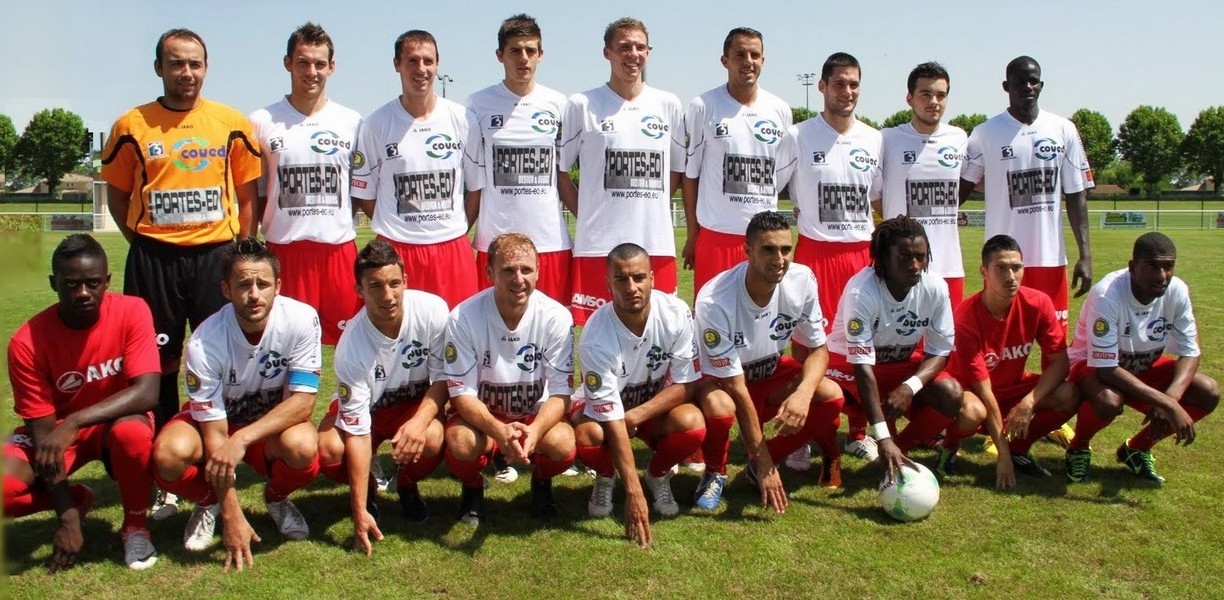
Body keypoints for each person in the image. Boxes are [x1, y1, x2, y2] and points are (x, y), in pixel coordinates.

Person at [100, 28, 263, 518]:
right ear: (159, 68)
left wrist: (239, 252)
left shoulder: (231, 123)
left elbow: (247, 195)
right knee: (158, 366)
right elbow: (119, 197)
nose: (186, 72)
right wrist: (147, 242)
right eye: (176, 63)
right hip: (156, 260)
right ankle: (165, 470)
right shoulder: (130, 125)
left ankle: (221, 458)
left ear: (206, 68)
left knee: (220, 360)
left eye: (194, 63)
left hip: (215, 257)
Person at [152, 240, 321, 571]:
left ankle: (275, 498)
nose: (254, 294)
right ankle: (209, 502)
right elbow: (215, 433)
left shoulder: (302, 318)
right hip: (218, 424)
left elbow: (303, 403)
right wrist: (232, 513)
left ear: (278, 286)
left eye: (263, 284)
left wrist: (242, 438)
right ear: (226, 290)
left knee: (303, 446)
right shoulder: (204, 341)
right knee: (168, 455)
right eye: (243, 285)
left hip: (264, 427)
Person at [4, 234, 160, 571]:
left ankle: (136, 527)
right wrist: (68, 517)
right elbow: (44, 437)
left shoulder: (133, 310)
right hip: (55, 432)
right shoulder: (26, 343)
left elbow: (147, 392)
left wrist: (76, 421)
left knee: (132, 434)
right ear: (54, 283)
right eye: (71, 284)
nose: (84, 293)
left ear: (107, 281)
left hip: (114, 424)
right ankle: (78, 499)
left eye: (93, 283)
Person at [693, 211, 846, 512]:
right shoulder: (714, 299)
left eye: (786, 249)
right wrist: (763, 459)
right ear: (747, 251)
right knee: (720, 407)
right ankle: (715, 472)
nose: (779, 259)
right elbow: (735, 386)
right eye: (768, 249)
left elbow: (818, 350)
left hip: (769, 373)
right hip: (724, 384)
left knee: (830, 394)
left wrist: (802, 394)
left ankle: (762, 463)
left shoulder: (802, 280)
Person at [774, 52, 883, 464]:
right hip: (815, 253)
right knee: (807, 343)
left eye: (854, 84)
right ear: (822, 87)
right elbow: (772, 189)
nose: (847, 91)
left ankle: (858, 431)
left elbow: (879, 200)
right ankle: (799, 433)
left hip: (860, 255)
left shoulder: (874, 139)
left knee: (860, 343)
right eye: (839, 84)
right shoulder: (798, 136)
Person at [316, 239, 449, 554]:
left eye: (394, 283)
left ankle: (406, 483)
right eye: (375, 286)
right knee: (329, 449)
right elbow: (358, 432)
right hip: (370, 413)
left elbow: (444, 377)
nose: (387, 295)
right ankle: (370, 490)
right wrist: (359, 509)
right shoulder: (351, 347)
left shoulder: (433, 310)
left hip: (412, 406)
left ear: (405, 281)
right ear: (359, 290)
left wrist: (418, 423)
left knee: (432, 437)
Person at [572, 243, 704, 543]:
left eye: (639, 277)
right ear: (608, 284)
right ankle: (607, 477)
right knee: (587, 434)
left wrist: (634, 416)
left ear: (652, 279)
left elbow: (686, 384)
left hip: (650, 408)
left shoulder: (676, 312)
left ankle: (657, 474)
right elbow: (609, 413)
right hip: (605, 414)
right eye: (621, 279)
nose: (631, 287)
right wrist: (633, 493)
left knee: (692, 422)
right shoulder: (595, 335)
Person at [443, 233, 576, 525]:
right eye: (508, 270)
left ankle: (541, 481)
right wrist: (499, 431)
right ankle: (473, 487)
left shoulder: (556, 316)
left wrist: (536, 431)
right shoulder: (463, 317)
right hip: (483, 417)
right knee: (461, 442)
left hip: (532, 416)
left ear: (538, 271)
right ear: (489, 272)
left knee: (563, 444)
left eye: (526, 269)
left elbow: (560, 393)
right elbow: (461, 394)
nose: (519, 279)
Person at [559, 17, 685, 325]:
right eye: (625, 47)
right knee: (596, 329)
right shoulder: (582, 104)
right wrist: (586, 213)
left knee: (659, 327)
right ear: (608, 53)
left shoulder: (668, 104)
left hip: (655, 242)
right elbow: (561, 172)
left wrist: (653, 204)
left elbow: (677, 170)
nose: (633, 54)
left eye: (640, 47)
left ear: (648, 53)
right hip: (598, 245)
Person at [1064, 232, 1218, 484]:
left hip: (1141, 365)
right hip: (1091, 366)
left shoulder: (1177, 290)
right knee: (1109, 401)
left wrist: (1171, 397)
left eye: (1168, 266)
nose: (1162, 275)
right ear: (1132, 267)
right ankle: (1078, 446)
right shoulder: (1107, 294)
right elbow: (1106, 369)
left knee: (1207, 390)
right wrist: (1168, 404)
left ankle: (1137, 448)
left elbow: (1190, 351)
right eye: (1151, 266)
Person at [824, 216, 963, 483]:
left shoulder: (935, 287)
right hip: (847, 365)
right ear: (882, 259)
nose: (915, 265)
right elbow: (862, 368)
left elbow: (939, 351)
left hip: (898, 364)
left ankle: (897, 451)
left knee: (952, 395)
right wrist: (883, 436)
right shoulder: (861, 292)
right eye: (904, 257)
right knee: (826, 398)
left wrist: (909, 387)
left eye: (921, 257)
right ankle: (829, 451)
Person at [959, 55, 1094, 328]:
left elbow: (1076, 194)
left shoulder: (1063, 129)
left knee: (1054, 339)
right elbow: (959, 191)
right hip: (1002, 260)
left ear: (1041, 85)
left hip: (1050, 257)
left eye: (1033, 81)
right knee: (1000, 336)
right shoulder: (985, 133)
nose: (1028, 87)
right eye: (1020, 82)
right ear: (1006, 86)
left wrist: (1085, 255)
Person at [249, 22, 362, 345]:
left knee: (351, 344)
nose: (311, 72)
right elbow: (256, 192)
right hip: (285, 251)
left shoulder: (352, 121)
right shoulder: (261, 121)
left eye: (319, 64)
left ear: (332, 67)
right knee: (283, 346)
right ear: (288, 63)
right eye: (303, 62)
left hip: (338, 252)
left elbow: (357, 189)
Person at [939, 235, 1079, 487]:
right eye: (1001, 268)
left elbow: (1060, 362)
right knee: (972, 413)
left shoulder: (1038, 303)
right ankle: (949, 446)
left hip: (1012, 389)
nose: (1011, 276)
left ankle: (1019, 450)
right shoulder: (966, 317)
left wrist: (1029, 402)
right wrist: (1001, 456)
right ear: (984, 272)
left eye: (1016, 267)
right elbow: (984, 391)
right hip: (974, 392)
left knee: (1069, 394)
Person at [352, 30, 477, 309]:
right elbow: (365, 193)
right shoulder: (375, 123)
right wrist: (398, 226)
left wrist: (453, 228)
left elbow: (476, 188)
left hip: (452, 249)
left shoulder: (463, 119)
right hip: (397, 249)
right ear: (397, 64)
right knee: (398, 331)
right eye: (412, 61)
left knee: (459, 329)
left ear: (437, 64)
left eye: (428, 61)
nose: (421, 69)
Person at [464, 14, 576, 305]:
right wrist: (462, 232)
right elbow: (474, 181)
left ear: (541, 54)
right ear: (500, 55)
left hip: (550, 243)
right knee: (492, 325)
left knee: (555, 325)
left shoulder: (560, 104)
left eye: (530, 50)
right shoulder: (477, 104)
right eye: (515, 50)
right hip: (495, 244)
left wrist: (590, 224)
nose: (523, 58)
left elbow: (563, 176)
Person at [682, 26, 792, 298]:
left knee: (763, 317)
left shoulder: (780, 110)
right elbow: (691, 175)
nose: (748, 61)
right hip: (717, 238)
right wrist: (693, 235)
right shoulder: (703, 106)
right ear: (725, 60)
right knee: (712, 317)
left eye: (755, 55)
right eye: (740, 55)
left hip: (764, 239)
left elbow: (781, 175)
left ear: (763, 60)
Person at [879, 62, 967, 308]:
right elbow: (874, 194)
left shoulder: (959, 138)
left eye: (941, 95)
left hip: (949, 266)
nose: (934, 102)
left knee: (948, 333)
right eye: (926, 94)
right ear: (910, 98)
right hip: (901, 267)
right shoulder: (886, 139)